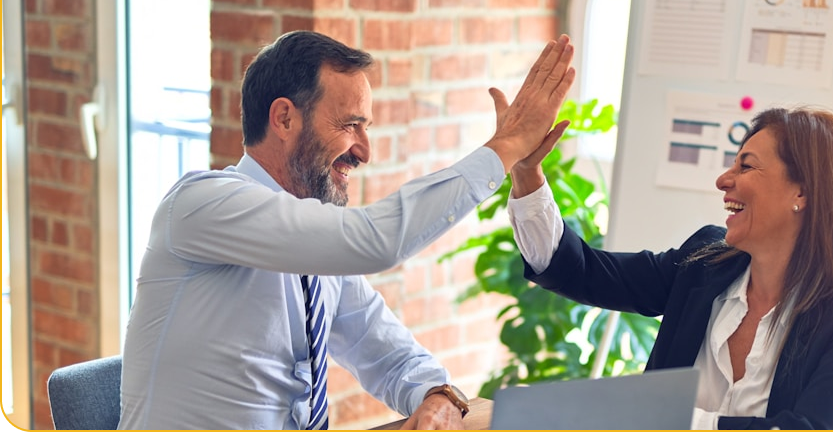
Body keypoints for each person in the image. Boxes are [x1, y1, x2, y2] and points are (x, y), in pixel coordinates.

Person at [119, 30, 575, 429]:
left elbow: (388, 353)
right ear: (284, 118)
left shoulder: (315, 252)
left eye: (365, 127)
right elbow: (375, 241)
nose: (364, 151)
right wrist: (506, 147)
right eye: (350, 125)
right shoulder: (203, 204)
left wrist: (438, 396)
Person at [507, 107, 833, 430]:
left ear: (802, 192)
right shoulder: (703, 263)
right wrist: (526, 171)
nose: (723, 180)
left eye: (746, 167)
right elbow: (581, 271)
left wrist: (664, 421)